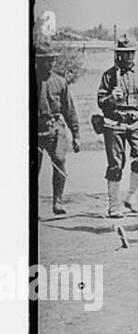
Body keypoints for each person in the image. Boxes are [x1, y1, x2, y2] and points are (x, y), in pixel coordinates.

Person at [96, 34, 138, 217]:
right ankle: (114, 204)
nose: (128, 56)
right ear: (118, 55)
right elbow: (101, 101)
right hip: (115, 122)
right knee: (115, 165)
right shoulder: (109, 75)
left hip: (137, 121)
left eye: (131, 53)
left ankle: (131, 195)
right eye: (124, 53)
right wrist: (111, 98)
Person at [35, 42, 80, 216]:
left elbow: (69, 111)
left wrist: (76, 135)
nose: (51, 63)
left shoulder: (60, 82)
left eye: (52, 59)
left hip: (55, 128)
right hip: (35, 130)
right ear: (38, 61)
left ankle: (57, 202)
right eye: (46, 60)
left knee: (60, 162)